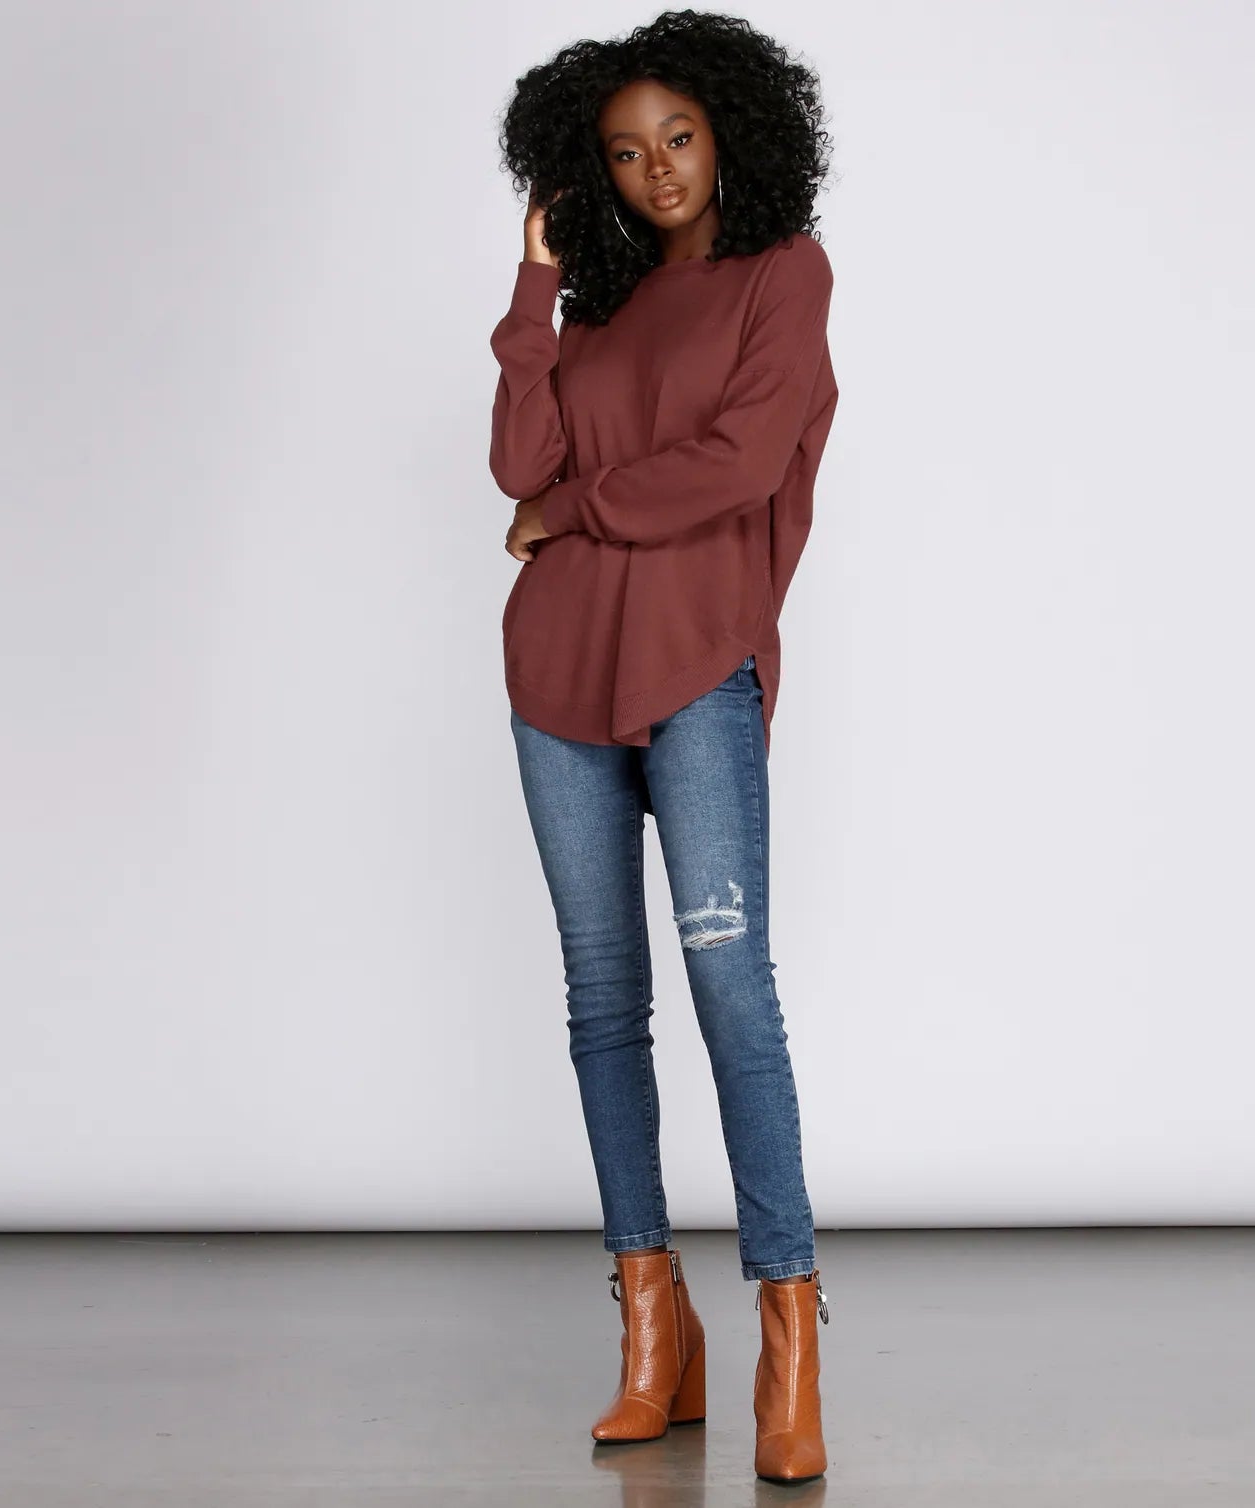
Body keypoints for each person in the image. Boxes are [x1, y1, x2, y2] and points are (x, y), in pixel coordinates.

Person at [488, 9, 839, 1485]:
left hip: (699, 669)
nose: (660, 170)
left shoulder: (784, 273)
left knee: (730, 989)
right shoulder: (593, 311)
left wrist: (578, 508)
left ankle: (787, 1334)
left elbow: (739, 465)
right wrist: (534, 284)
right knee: (602, 1003)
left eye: (679, 137)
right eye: (626, 153)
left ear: (731, 132)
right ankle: (652, 1326)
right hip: (557, 674)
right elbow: (516, 461)